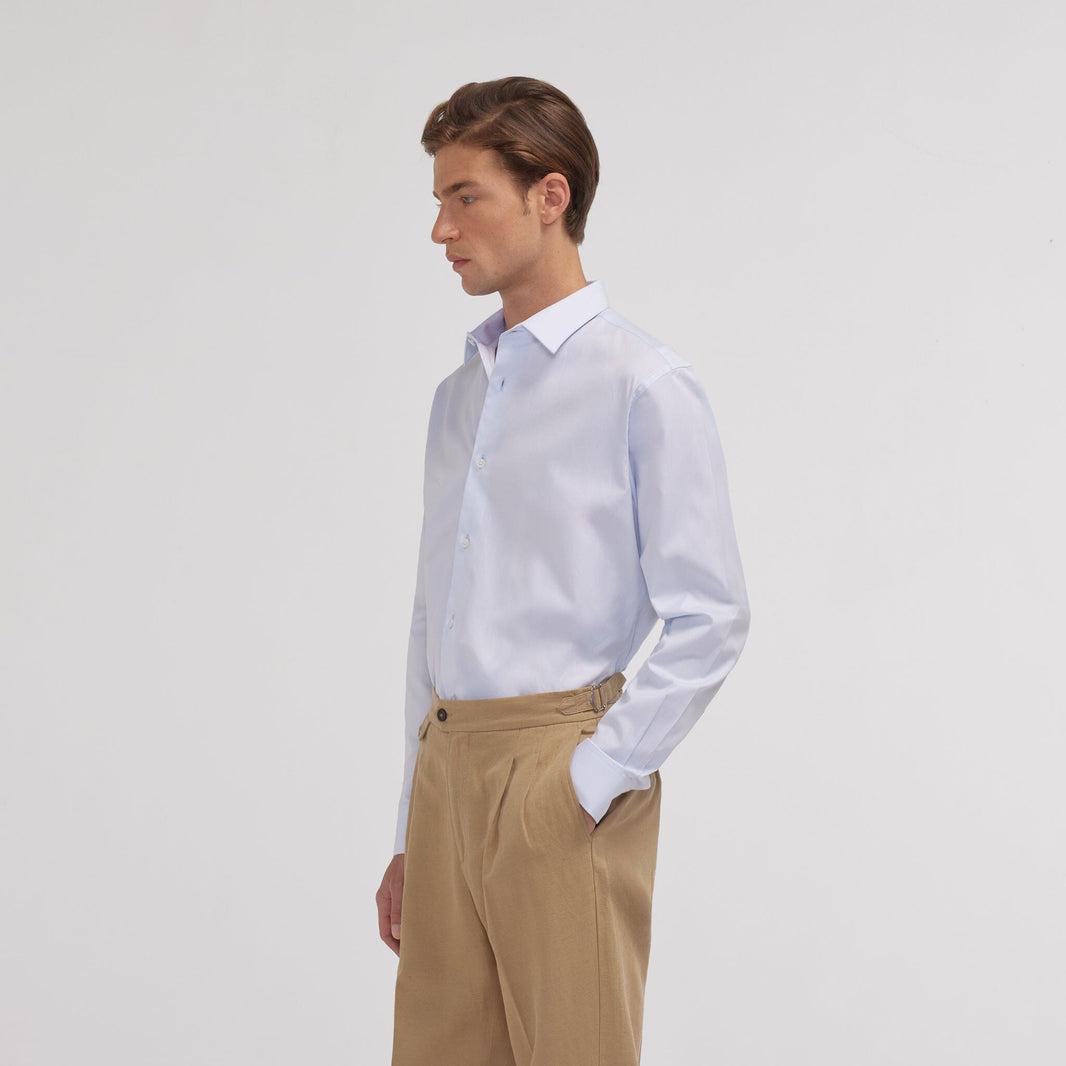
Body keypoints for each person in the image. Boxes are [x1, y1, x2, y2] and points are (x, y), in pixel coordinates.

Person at [376, 76, 750, 1066]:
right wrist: (412, 827)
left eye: (465, 197)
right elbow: (432, 618)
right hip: (447, 768)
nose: (441, 229)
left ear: (550, 196)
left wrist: (591, 779)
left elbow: (711, 613)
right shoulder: (458, 397)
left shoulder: (643, 384)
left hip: (559, 768)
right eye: (438, 200)